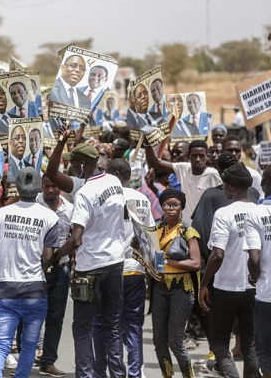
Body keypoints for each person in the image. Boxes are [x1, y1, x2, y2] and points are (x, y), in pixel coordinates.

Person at [51, 137, 127, 378]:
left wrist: (53, 258)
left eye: (74, 165)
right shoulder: (114, 181)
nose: (72, 169)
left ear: (82, 165)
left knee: (82, 329)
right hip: (115, 263)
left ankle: (85, 375)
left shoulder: (85, 192)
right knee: (112, 326)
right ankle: (116, 374)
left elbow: (76, 239)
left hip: (90, 269)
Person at [0, 167, 59, 378]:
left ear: (17, 186)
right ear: (39, 189)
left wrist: (4, 261)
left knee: (2, 343)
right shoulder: (49, 217)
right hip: (35, 289)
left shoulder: (2, 212)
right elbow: (48, 257)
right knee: (29, 345)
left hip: (6, 287)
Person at [199, 162, 259, 377]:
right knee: (249, 342)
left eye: (224, 185)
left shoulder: (224, 214)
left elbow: (217, 255)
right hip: (254, 288)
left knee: (219, 341)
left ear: (232, 187)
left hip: (226, 288)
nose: (223, 189)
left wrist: (204, 283)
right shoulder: (261, 213)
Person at [102, 159, 154, 378]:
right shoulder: (142, 199)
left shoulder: (107, 198)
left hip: (113, 269)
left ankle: (117, 372)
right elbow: (150, 237)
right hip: (136, 271)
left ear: (113, 173)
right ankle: (136, 371)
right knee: (133, 326)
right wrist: (152, 273)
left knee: (112, 325)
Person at [150, 189, 201, 378]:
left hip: (181, 288)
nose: (171, 208)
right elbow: (154, 257)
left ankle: (189, 376)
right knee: (159, 341)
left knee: (175, 341)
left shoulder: (188, 231)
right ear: (162, 207)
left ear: (181, 207)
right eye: (167, 205)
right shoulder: (156, 230)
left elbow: (195, 263)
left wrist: (170, 263)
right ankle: (168, 375)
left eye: (175, 205)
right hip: (160, 287)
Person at [36, 174, 73, 377]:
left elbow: (74, 237)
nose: (50, 190)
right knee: (31, 315)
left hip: (60, 268)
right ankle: (27, 356)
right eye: (46, 186)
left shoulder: (70, 209)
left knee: (55, 317)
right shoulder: (34, 205)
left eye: (54, 186)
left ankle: (48, 361)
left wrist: (55, 257)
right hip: (35, 268)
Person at [145, 139, 222, 224]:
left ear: (207, 156)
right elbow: (154, 163)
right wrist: (146, 141)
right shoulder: (183, 169)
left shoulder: (212, 175)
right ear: (189, 156)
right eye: (194, 155)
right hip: (187, 228)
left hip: (206, 227)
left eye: (201, 156)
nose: (198, 159)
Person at [244, 166, 271, 378]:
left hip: (266, 295)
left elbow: (254, 258)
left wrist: (253, 277)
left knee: (266, 354)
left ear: (263, 185)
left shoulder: (256, 213)